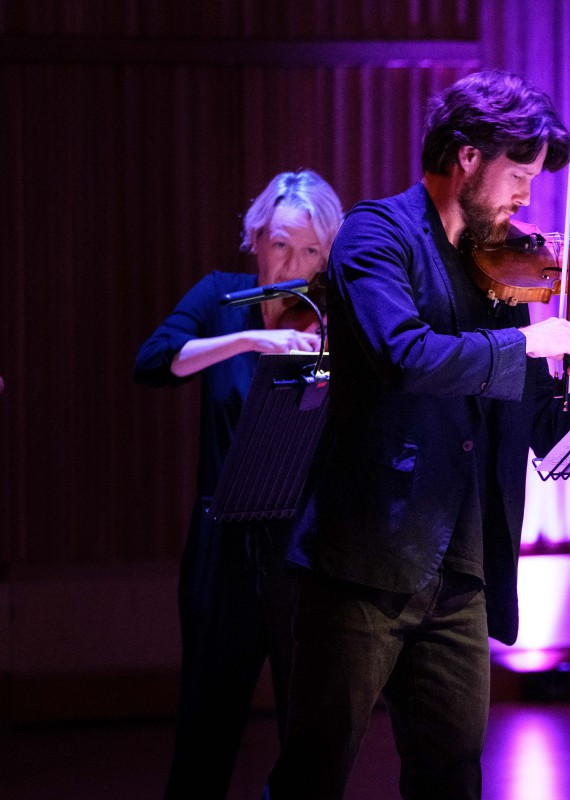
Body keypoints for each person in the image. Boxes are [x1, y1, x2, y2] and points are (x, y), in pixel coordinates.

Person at [263, 69, 570, 800]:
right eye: (519, 174)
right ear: (468, 156)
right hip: (362, 566)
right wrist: (525, 345)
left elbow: (557, 434)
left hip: (460, 575)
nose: (528, 197)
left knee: (454, 780)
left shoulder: (499, 276)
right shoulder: (377, 235)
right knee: (313, 775)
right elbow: (404, 354)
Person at [133, 170, 345, 799]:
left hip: (305, 548)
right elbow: (152, 362)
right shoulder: (222, 297)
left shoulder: (336, 310)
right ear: (257, 238)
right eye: (282, 244)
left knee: (308, 736)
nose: (295, 263)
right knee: (206, 729)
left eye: (312, 251)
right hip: (223, 544)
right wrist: (252, 338)